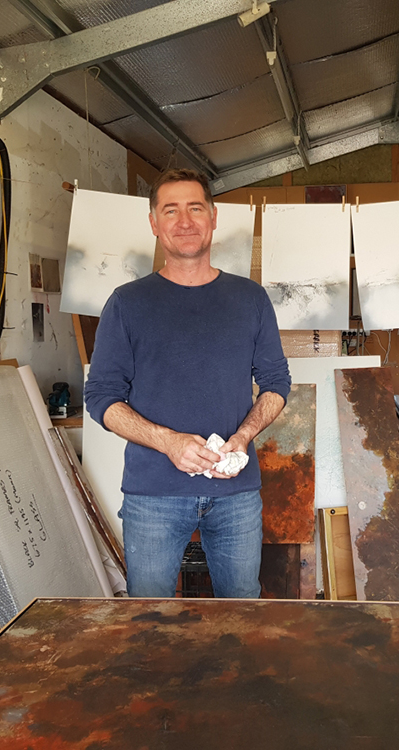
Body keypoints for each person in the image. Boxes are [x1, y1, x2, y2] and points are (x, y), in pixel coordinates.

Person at [84, 168, 290, 598]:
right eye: (170, 210)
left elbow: (275, 383)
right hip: (154, 494)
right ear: (154, 223)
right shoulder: (127, 304)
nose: (184, 221)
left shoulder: (250, 299)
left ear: (213, 217)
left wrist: (245, 434)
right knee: (150, 616)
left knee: (241, 610)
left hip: (235, 493)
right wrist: (167, 442)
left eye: (195, 208)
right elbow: (101, 396)